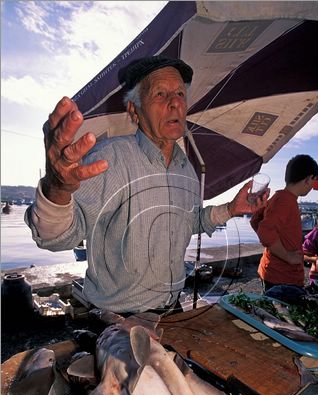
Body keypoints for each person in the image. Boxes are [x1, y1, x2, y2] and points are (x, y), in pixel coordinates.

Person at [25, 56, 268, 315]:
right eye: (160, 94)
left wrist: (231, 208)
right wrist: (58, 189)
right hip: (117, 318)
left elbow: (192, 221)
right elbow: (58, 238)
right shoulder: (111, 158)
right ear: (134, 111)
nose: (174, 103)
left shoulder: (186, 167)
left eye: (179, 94)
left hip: (172, 308)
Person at [250, 154, 318, 298]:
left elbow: (255, 221)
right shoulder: (285, 201)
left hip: (274, 272)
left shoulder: (279, 197)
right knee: (281, 318)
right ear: (308, 179)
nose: (313, 186)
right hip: (282, 277)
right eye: (314, 181)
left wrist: (273, 246)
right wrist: (287, 256)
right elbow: (265, 231)